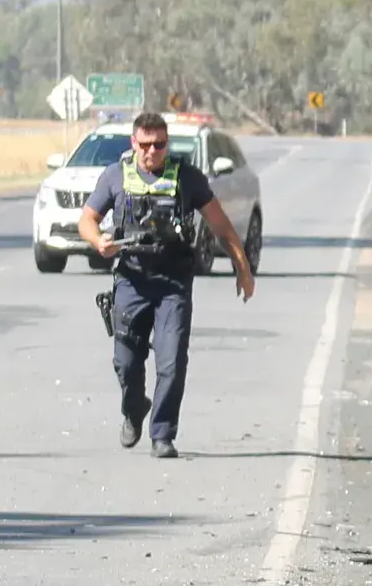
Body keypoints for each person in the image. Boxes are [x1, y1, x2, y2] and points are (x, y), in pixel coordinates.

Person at [76, 112, 255, 457]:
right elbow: (87, 219)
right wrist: (98, 241)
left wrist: (242, 267)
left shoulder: (187, 178)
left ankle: (163, 434)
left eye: (159, 145)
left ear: (167, 144)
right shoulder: (115, 177)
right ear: (134, 143)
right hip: (131, 281)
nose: (152, 152)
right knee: (126, 363)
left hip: (173, 283)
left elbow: (221, 225)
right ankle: (134, 409)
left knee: (171, 361)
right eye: (145, 145)